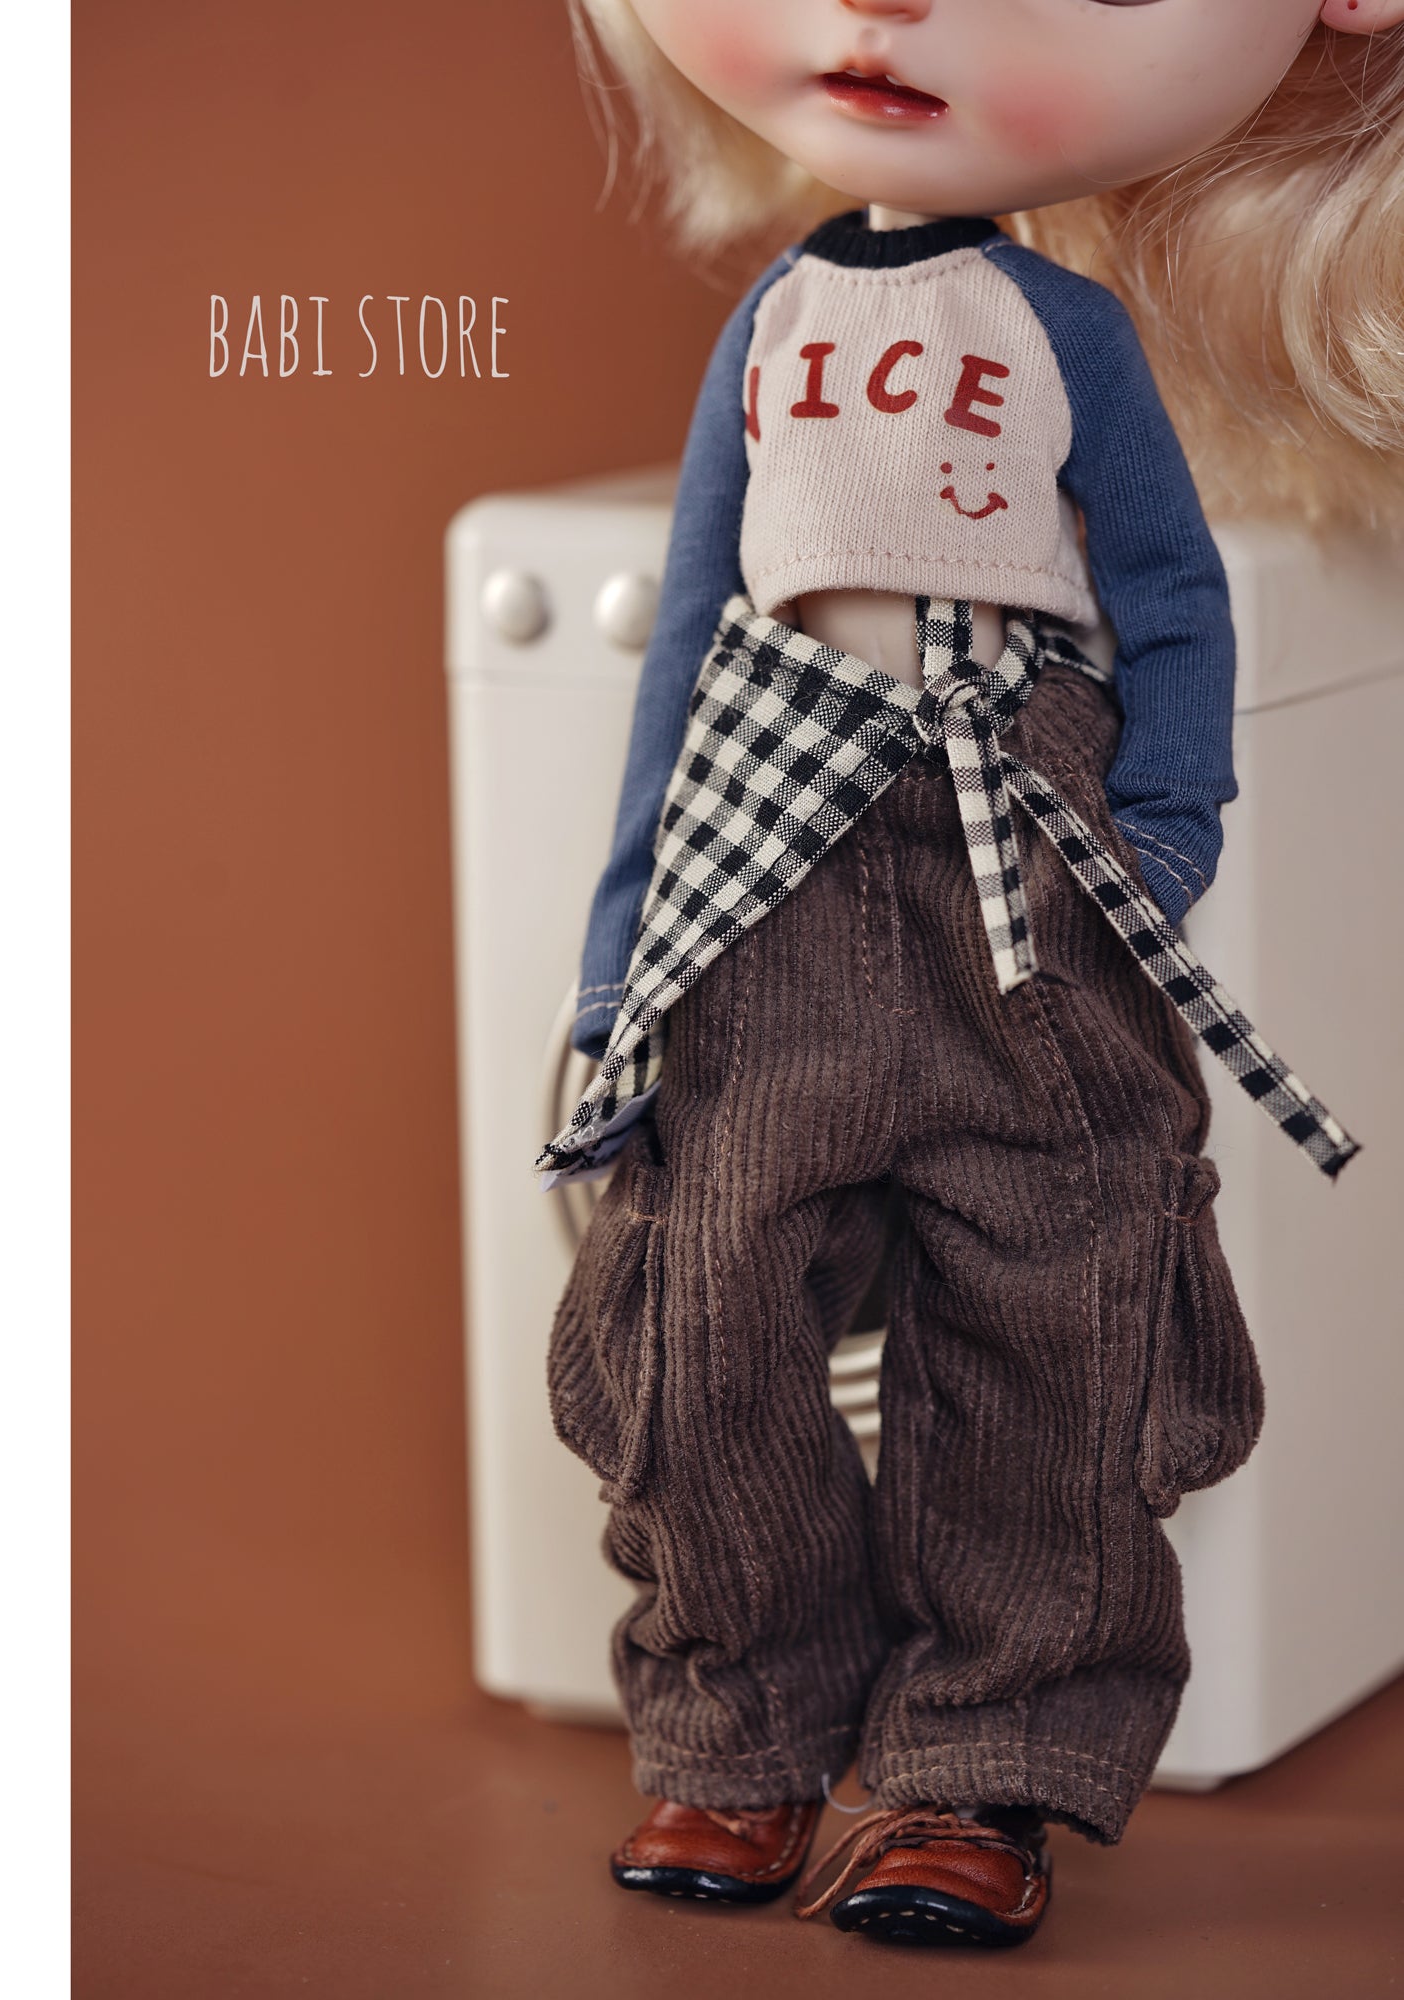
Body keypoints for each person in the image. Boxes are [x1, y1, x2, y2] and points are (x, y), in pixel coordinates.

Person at [540, 0, 1401, 1950]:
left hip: (1010, 848)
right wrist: (622, 949)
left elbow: (1167, 597)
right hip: (762, 853)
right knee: (702, 1302)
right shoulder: (772, 322)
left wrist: (1155, 836)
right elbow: (693, 632)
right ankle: (740, 1736)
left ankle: (977, 1774)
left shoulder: (1064, 331)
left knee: (1050, 1298)